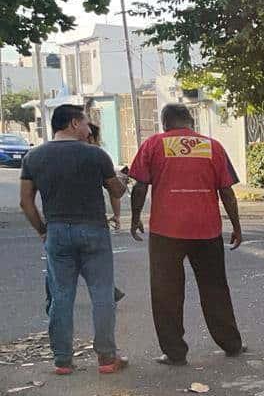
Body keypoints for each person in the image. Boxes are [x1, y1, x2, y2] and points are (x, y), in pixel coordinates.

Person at [130, 103, 246, 366]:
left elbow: (139, 187)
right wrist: (236, 225)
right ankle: (231, 343)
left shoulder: (153, 144)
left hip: (165, 231)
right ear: (191, 121)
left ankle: (174, 352)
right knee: (215, 288)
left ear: (164, 122)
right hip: (206, 230)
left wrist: (135, 217)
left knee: (166, 291)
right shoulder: (213, 146)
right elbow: (226, 191)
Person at [18, 104, 129, 374]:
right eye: (85, 123)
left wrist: (43, 230)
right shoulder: (95, 155)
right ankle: (106, 358)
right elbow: (116, 190)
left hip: (57, 231)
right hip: (93, 231)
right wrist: (123, 179)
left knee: (61, 296)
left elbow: (26, 202)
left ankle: (63, 361)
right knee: (102, 294)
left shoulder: (33, 157)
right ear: (71, 124)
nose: (89, 128)